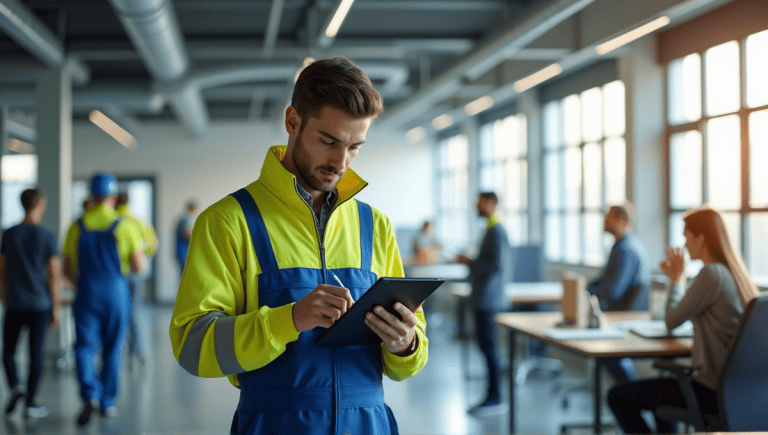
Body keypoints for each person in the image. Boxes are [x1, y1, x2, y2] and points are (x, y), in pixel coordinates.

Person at [169, 57, 428, 435]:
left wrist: (406, 343)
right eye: (329, 141)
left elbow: (410, 358)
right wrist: (288, 320)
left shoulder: (375, 225)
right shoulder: (229, 221)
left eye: (355, 146)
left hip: (369, 423)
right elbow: (193, 348)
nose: (341, 162)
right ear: (293, 122)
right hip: (275, 423)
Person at [607, 207, 760, 433]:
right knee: (659, 403)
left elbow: (671, 321)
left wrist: (676, 280)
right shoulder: (735, 275)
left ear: (702, 239)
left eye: (687, 238)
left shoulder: (711, 274)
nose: (685, 245)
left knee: (617, 396)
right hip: (741, 394)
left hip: (709, 392)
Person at [63, 173, 146, 425]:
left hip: (87, 290)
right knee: (112, 347)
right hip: (115, 291)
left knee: (84, 347)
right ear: (112, 197)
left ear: (91, 196)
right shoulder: (124, 225)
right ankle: (108, 401)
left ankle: (90, 394)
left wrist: (81, 283)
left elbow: (67, 265)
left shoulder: (76, 225)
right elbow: (139, 266)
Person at [0, 188, 60, 418]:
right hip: (40, 304)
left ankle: (16, 387)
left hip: (14, 302)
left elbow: (2, 269)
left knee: (8, 351)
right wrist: (55, 307)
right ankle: (31, 403)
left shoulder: (9, 234)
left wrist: (4, 295)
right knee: (36, 354)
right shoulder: (47, 236)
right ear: (41, 205)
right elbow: (54, 275)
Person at [456, 192, 511, 415]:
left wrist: (470, 261)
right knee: (485, 347)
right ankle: (493, 394)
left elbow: (494, 265)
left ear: (491, 203)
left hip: (489, 299)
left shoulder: (497, 231)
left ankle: (495, 396)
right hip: (483, 298)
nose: (476, 206)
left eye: (479, 203)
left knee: (490, 349)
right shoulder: (490, 228)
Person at [587, 203, 648, 383]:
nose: (604, 221)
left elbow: (613, 292)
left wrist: (587, 291)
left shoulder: (625, 251)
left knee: (603, 352)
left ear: (621, 221)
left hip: (620, 318)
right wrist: (586, 287)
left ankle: (628, 392)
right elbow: (604, 282)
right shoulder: (621, 247)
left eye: (609, 217)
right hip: (616, 314)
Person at [116, 192, 158, 363]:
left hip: (116, 273)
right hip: (136, 273)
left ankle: (117, 349)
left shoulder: (112, 221)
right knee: (134, 310)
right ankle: (138, 350)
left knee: (117, 311)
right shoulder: (140, 222)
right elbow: (153, 245)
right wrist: (141, 257)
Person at [175, 200, 198, 273]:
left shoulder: (185, 219)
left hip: (184, 253)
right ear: (193, 209)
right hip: (184, 253)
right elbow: (189, 235)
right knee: (186, 276)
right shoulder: (186, 220)